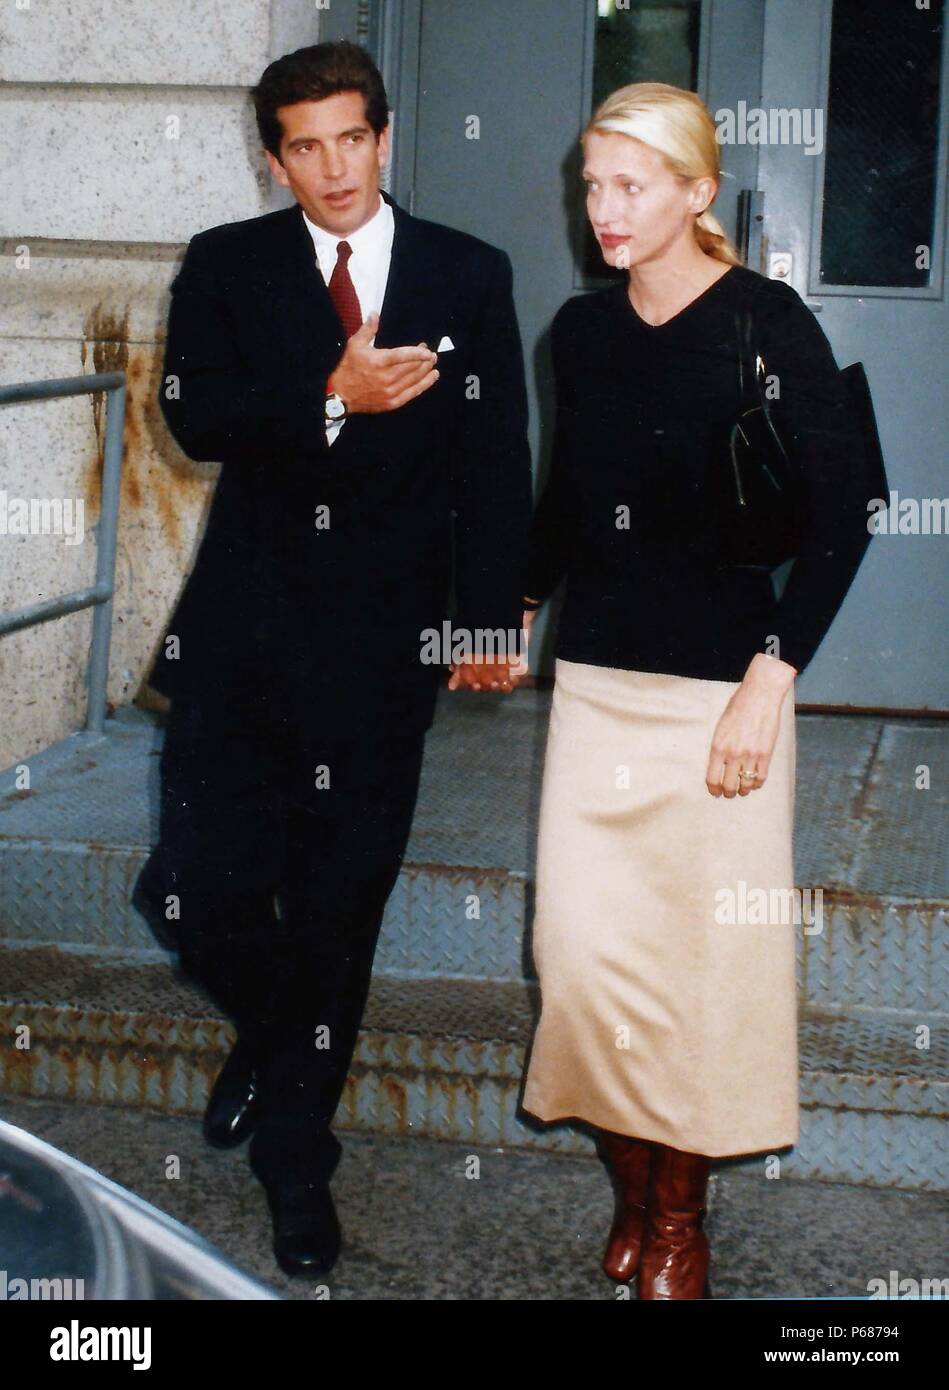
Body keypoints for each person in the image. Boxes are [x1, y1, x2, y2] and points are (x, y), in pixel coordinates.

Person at [132, 41, 531, 1278]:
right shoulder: (227, 263)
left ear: (386, 136)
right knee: (186, 890)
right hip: (240, 638)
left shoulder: (467, 273)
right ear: (273, 156)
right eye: (303, 146)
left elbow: (496, 459)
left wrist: (484, 621)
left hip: (383, 649)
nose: (332, 167)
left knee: (337, 907)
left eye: (350, 138)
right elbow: (189, 415)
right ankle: (272, 1035)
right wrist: (329, 397)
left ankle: (298, 1162)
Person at [519, 82, 871, 1299]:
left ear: (694, 192)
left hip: (720, 694)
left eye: (628, 186)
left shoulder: (767, 326)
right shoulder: (580, 333)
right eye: (590, 187)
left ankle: (677, 1218)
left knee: (700, 978)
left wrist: (771, 678)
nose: (601, 211)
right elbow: (566, 502)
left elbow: (842, 519)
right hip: (598, 691)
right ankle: (629, 1183)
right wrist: (508, 602)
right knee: (579, 962)